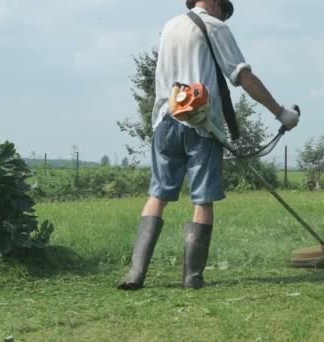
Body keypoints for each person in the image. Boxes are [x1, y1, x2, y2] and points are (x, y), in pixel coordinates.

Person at [117, 0, 300, 290]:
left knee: (158, 195)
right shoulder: (215, 27)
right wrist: (281, 113)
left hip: (165, 121)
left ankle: (135, 274)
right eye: (224, 11)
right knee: (202, 199)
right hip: (202, 125)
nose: (224, 16)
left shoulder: (170, 26)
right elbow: (244, 77)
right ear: (215, 4)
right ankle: (192, 278)